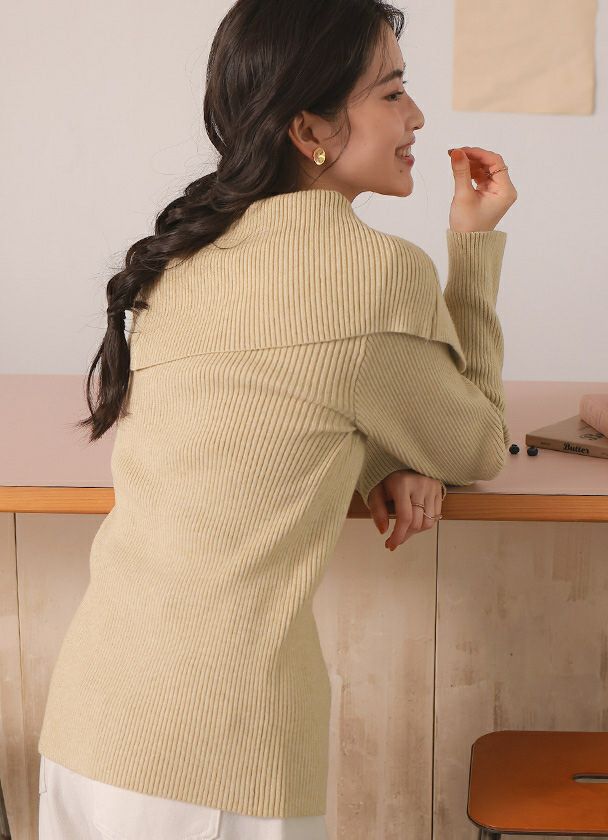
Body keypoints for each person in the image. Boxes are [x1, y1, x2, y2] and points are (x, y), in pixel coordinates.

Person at [37, 0, 517, 837]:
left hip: (92, 725)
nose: (417, 116)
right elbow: (476, 444)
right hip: (214, 760)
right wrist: (471, 252)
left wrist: (379, 455)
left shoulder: (188, 258)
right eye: (391, 91)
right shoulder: (374, 275)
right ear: (309, 130)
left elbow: (268, 407)